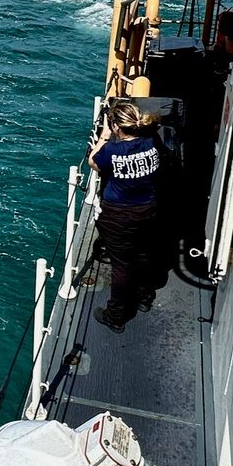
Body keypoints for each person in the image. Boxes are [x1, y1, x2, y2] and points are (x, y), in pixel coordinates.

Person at [88, 98, 162, 334]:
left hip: (118, 215)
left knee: (122, 266)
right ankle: (144, 298)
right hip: (147, 210)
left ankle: (116, 316)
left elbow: (93, 162)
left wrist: (104, 136)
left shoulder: (111, 150)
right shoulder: (151, 144)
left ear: (117, 126)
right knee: (142, 254)